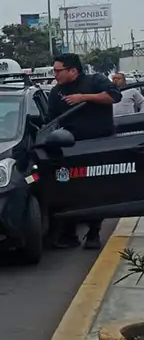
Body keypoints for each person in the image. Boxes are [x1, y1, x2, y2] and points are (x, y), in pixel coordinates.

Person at [48, 54, 122, 250]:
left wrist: (84, 98)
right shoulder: (56, 93)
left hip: (99, 146)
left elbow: (114, 96)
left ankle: (93, 233)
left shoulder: (95, 80)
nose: (55, 74)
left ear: (73, 70)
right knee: (68, 190)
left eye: (58, 70)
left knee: (96, 191)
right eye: (54, 70)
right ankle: (69, 233)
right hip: (69, 149)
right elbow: (50, 121)